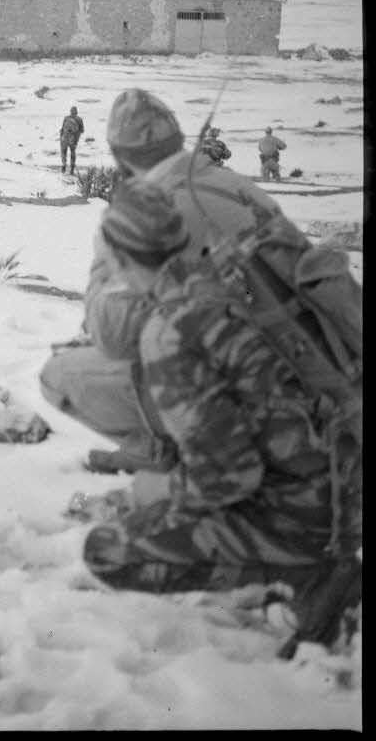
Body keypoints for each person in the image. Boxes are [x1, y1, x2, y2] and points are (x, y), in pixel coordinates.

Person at [81, 179, 362, 642]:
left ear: (119, 257)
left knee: (105, 551)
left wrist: (163, 490)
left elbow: (232, 475)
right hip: (345, 479)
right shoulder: (228, 277)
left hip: (310, 516)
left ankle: (309, 576)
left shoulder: (169, 331)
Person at [40, 88, 311, 476]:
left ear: (118, 155)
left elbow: (110, 334)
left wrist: (106, 265)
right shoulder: (236, 185)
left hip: (249, 392)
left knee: (59, 375)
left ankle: (163, 454)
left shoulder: (154, 206)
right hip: (307, 368)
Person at [59, 105, 85, 174]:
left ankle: (64, 166)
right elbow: (82, 130)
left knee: (63, 152)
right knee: (72, 153)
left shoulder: (66, 118)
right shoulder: (79, 119)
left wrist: (61, 137)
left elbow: (62, 129)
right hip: (73, 139)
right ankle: (72, 168)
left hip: (64, 138)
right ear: (77, 112)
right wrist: (76, 134)